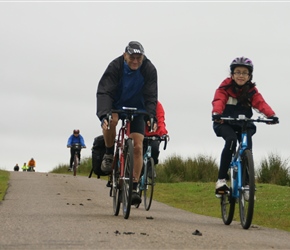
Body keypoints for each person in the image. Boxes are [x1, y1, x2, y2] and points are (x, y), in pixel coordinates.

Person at [96, 41, 158, 205]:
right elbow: (104, 91)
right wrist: (104, 114)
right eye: (132, 57)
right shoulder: (115, 67)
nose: (135, 61)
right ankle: (109, 153)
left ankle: (134, 186)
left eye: (139, 58)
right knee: (111, 122)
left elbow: (152, 96)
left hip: (139, 109)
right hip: (116, 105)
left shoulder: (149, 69)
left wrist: (152, 116)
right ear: (125, 55)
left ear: (143, 57)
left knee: (137, 146)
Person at [211, 56, 279, 197]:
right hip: (225, 122)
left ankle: (247, 184)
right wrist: (217, 113)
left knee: (247, 148)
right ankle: (221, 181)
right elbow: (219, 100)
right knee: (231, 141)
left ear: (249, 76)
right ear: (232, 74)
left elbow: (261, 104)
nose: (241, 75)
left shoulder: (251, 91)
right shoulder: (224, 88)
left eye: (244, 73)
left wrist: (271, 115)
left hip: (244, 124)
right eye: (238, 72)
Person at [144, 100, 169, 165]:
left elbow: (161, 121)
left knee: (155, 149)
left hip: (154, 134)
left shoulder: (158, 106)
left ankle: (151, 167)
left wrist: (163, 134)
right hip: (141, 134)